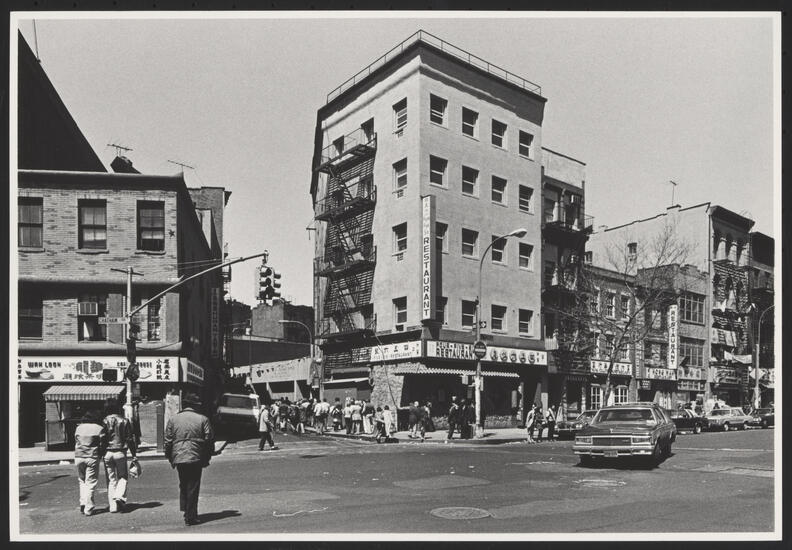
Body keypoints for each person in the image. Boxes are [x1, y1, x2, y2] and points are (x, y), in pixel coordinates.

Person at [164, 392, 214, 526]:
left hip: (179, 456)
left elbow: (168, 441)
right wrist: (207, 457)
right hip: (195, 456)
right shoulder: (203, 419)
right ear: (195, 406)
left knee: (183, 483)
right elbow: (209, 440)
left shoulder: (173, 419)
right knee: (193, 486)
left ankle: (186, 509)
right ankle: (190, 516)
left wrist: (170, 456)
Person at [102, 397, 137, 513]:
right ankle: (119, 496)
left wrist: (101, 452)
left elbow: (102, 439)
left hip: (107, 452)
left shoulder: (104, 421)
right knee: (122, 477)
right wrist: (134, 454)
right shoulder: (124, 421)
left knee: (111, 479)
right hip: (120, 451)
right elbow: (130, 439)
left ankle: (112, 507)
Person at [74, 409, 106, 516]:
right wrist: (100, 455)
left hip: (79, 456)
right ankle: (88, 507)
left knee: (82, 481)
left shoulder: (79, 428)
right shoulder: (99, 428)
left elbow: (76, 441)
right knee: (90, 483)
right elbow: (102, 444)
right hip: (92, 456)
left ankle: (82, 503)